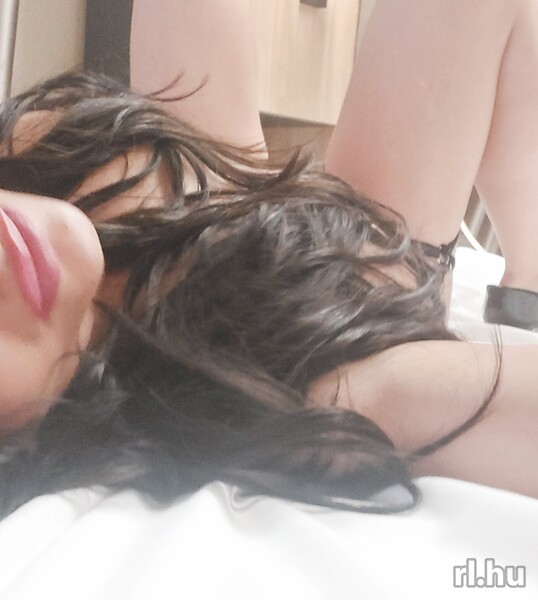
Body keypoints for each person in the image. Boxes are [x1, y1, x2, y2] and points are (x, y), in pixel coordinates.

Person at [0, 0, 536, 517]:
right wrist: (359, 395)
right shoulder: (290, 388)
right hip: (337, 292)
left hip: (225, 213)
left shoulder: (37, 159)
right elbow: (426, 395)